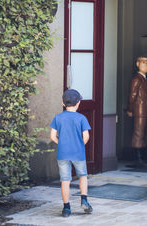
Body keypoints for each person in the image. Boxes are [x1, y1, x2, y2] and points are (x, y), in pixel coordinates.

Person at [50, 89, 92, 217]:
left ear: (63, 103)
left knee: (65, 180)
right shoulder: (81, 118)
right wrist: (79, 145)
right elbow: (86, 136)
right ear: (79, 103)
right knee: (82, 176)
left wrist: (61, 143)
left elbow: (52, 136)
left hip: (63, 154)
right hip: (78, 153)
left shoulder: (58, 117)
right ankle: (84, 200)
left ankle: (66, 208)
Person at [127, 57, 147, 167]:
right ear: (137, 64)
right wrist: (130, 109)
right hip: (139, 111)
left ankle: (143, 156)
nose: (146, 65)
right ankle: (138, 158)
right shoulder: (137, 79)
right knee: (139, 133)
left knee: (144, 133)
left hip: (145, 110)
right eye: (143, 62)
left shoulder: (144, 79)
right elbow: (132, 96)